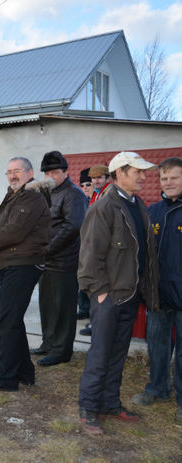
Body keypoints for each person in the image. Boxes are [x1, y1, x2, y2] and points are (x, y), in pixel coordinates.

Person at [77, 151, 159, 436]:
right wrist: (99, 292)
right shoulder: (104, 207)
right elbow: (89, 254)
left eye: (143, 171)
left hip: (130, 295)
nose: (143, 176)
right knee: (100, 354)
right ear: (120, 172)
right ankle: (88, 408)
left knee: (118, 354)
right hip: (109, 296)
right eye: (138, 171)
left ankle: (110, 403)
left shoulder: (138, 205)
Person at [0, 157, 50, 391]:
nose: (12, 175)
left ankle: (7, 378)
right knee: (13, 321)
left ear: (30, 173)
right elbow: (1, 227)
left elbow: (14, 231)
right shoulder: (15, 195)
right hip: (13, 264)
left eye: (17, 171)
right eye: (8, 172)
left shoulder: (32, 197)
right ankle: (24, 373)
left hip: (23, 265)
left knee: (7, 323)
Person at [132, 157, 182, 425]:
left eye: (174, 177)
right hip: (158, 295)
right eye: (164, 179)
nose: (168, 183)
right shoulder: (153, 211)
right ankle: (158, 389)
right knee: (158, 345)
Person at [31, 151, 88, 366]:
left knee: (63, 308)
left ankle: (62, 351)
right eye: (47, 173)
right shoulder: (48, 193)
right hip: (45, 261)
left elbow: (72, 227)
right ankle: (48, 343)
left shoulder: (73, 194)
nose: (51, 176)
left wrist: (47, 249)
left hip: (64, 261)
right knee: (47, 305)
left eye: (55, 172)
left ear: (65, 172)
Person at [80, 164, 112, 336]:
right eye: (93, 178)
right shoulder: (96, 193)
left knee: (101, 289)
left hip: (103, 249)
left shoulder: (109, 194)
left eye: (99, 177)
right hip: (93, 245)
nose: (95, 180)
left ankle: (99, 325)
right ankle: (95, 322)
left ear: (108, 178)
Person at [77, 168, 94, 320]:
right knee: (81, 279)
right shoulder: (79, 201)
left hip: (94, 248)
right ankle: (83, 309)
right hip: (80, 247)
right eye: (82, 185)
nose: (85, 188)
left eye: (88, 184)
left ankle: (92, 311)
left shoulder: (100, 200)